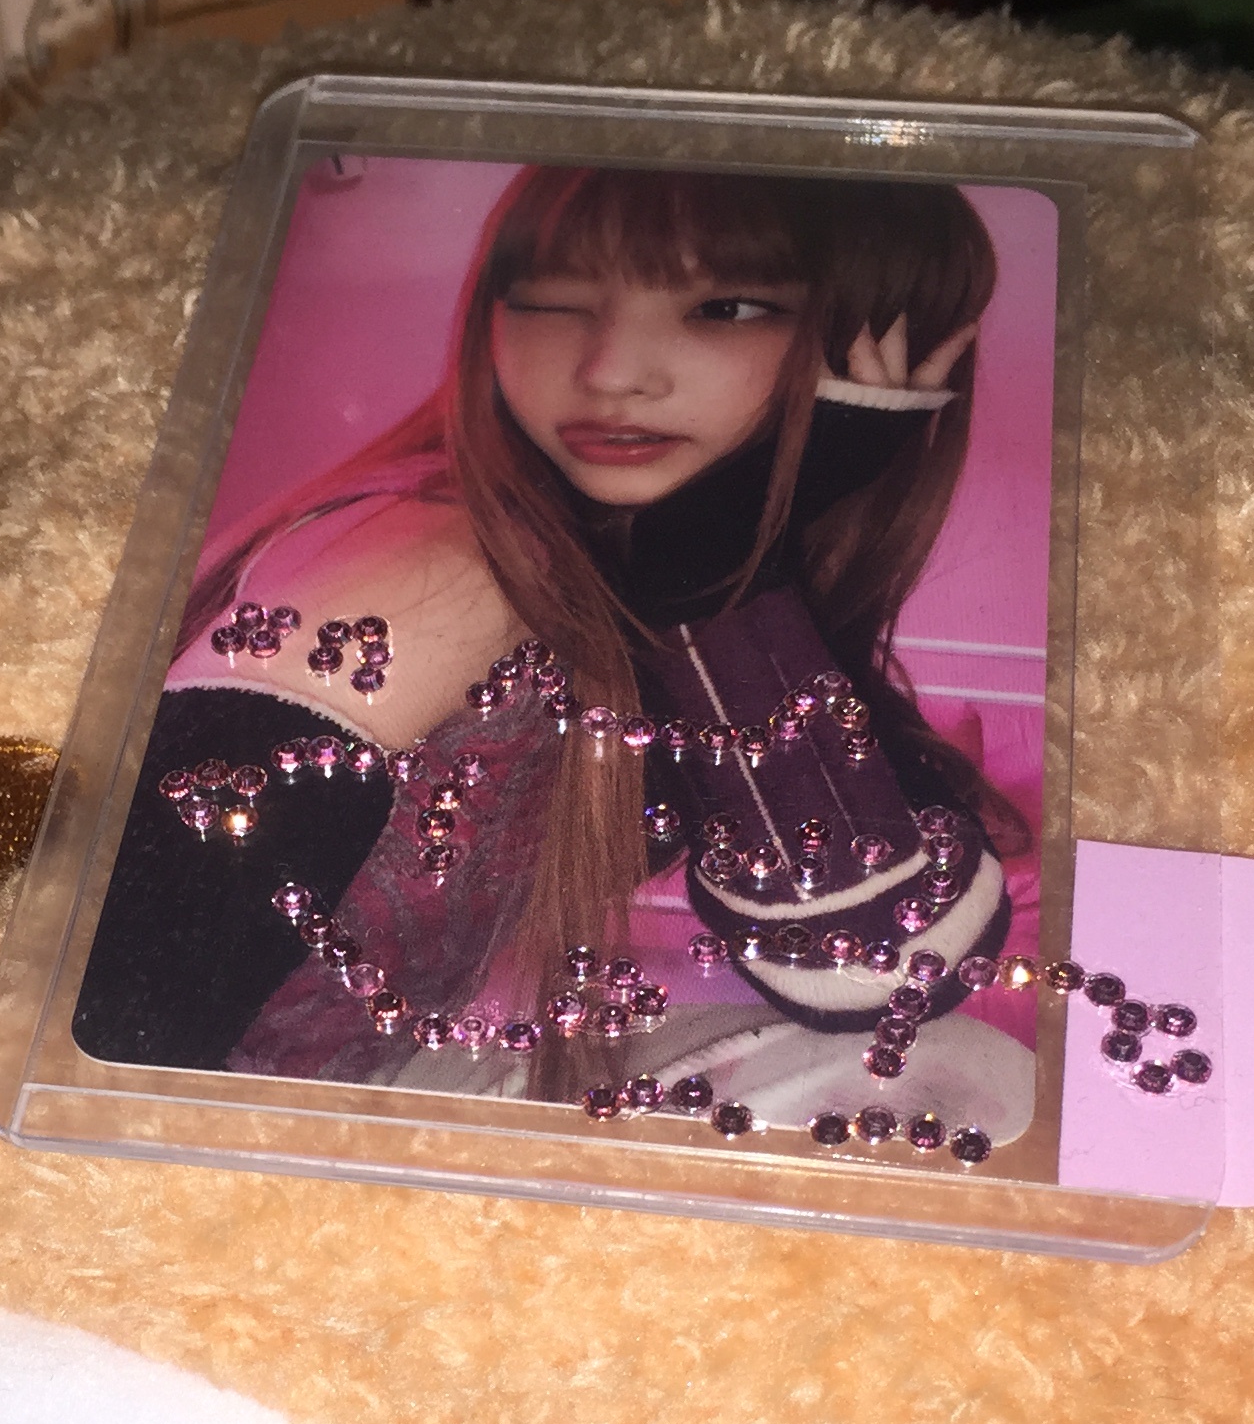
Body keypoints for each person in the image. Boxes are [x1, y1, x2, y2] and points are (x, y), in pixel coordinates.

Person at [75, 164, 1038, 1139]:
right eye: (552, 298)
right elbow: (109, 1033)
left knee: (954, 1080)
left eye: (724, 308)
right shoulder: (444, 571)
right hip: (209, 1136)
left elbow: (882, 965)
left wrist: (717, 568)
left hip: (336, 1091)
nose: (611, 371)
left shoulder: (637, 568)